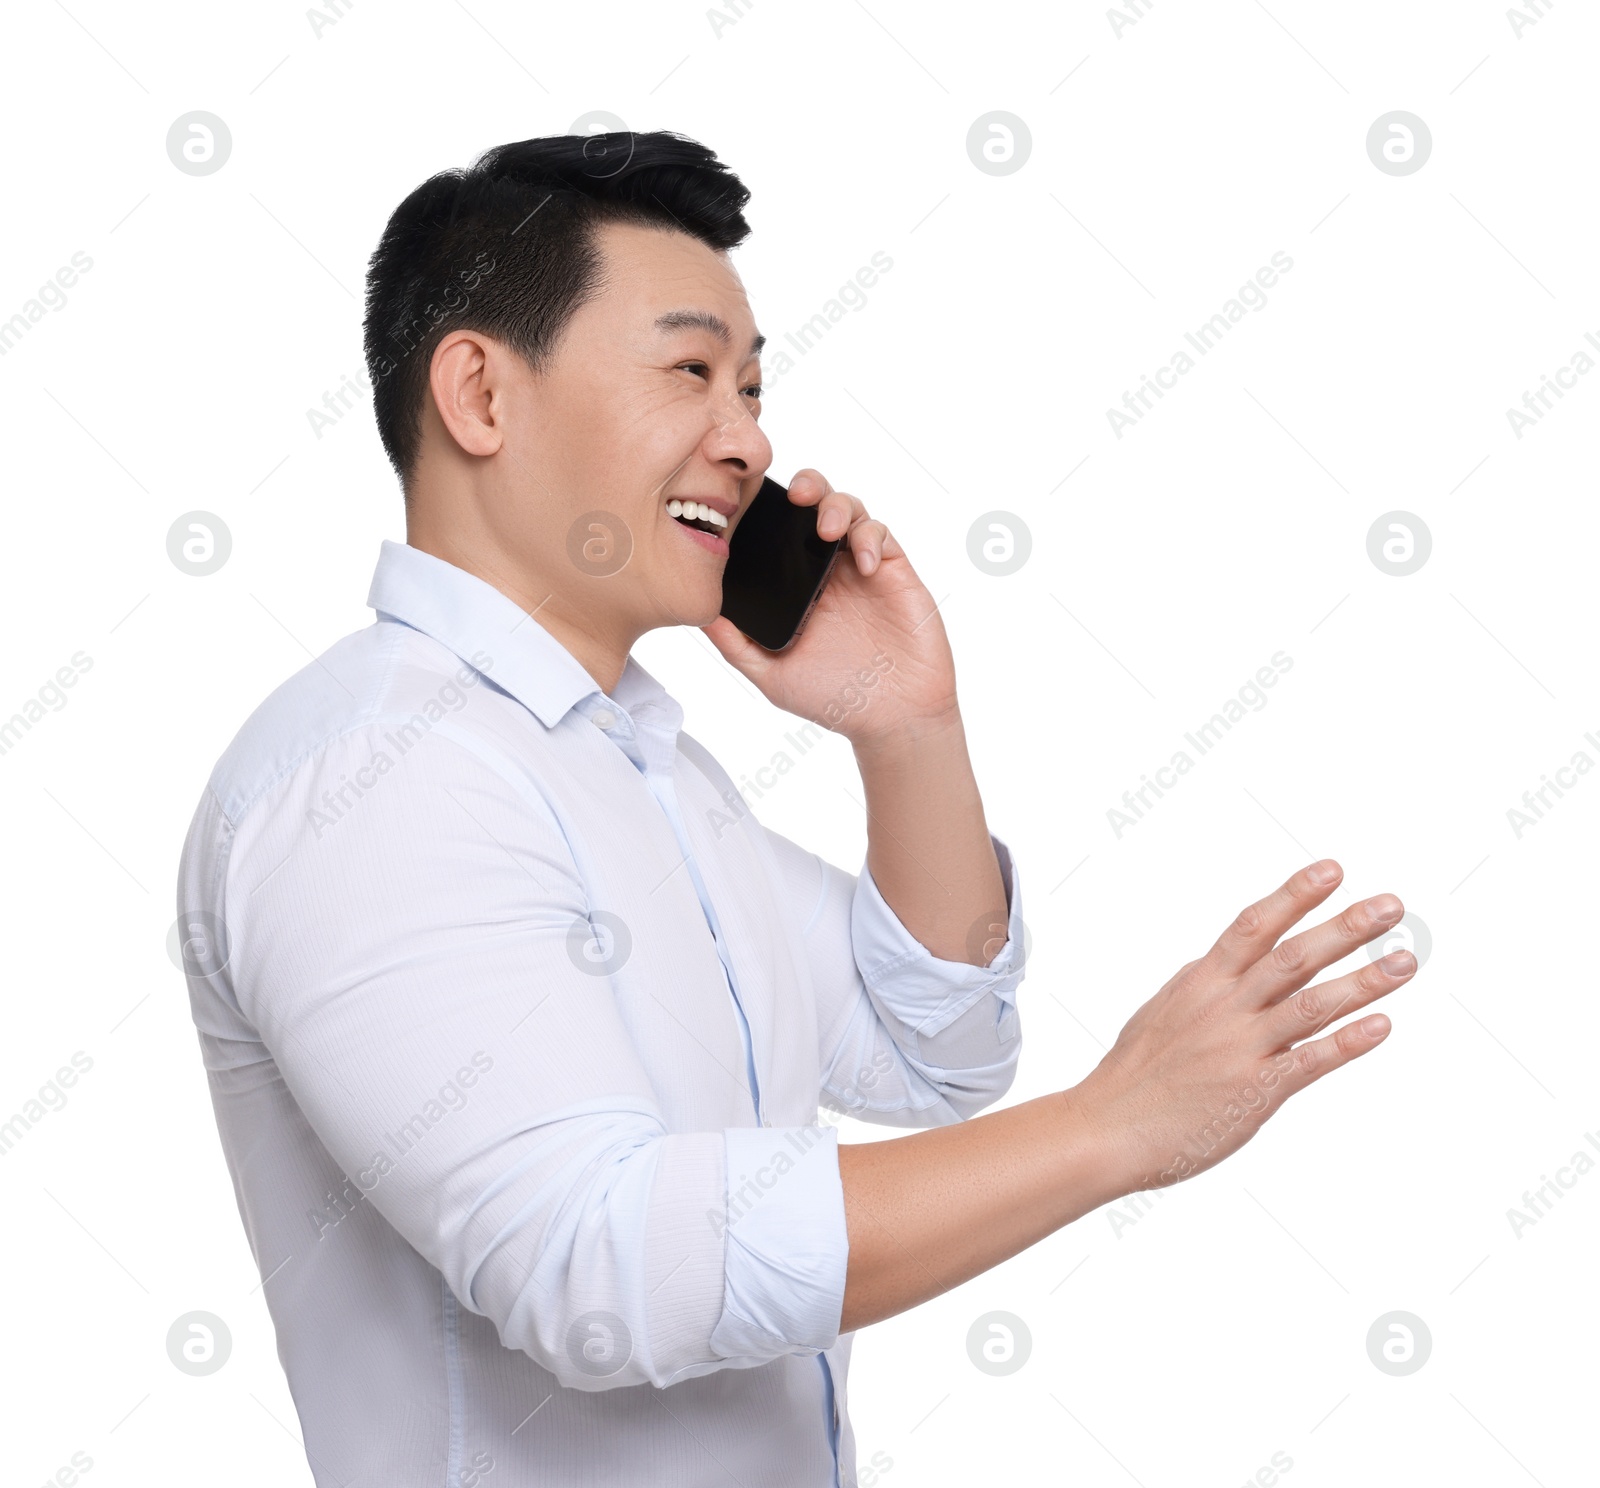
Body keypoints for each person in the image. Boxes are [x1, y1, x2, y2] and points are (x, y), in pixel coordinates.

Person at [174, 131, 1418, 1488]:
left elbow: (932, 1047)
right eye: (691, 371)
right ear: (480, 392)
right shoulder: (378, 779)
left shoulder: (637, 768)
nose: (750, 439)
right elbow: (600, 1268)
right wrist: (1115, 1124)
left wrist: (905, 726)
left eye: (755, 386)